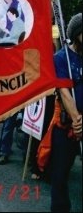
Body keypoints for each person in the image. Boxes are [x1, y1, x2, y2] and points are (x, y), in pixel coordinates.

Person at [50, 13, 82, 212]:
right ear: (77, 33)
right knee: (60, 173)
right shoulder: (61, 57)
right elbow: (64, 91)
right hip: (66, 126)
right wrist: (78, 121)